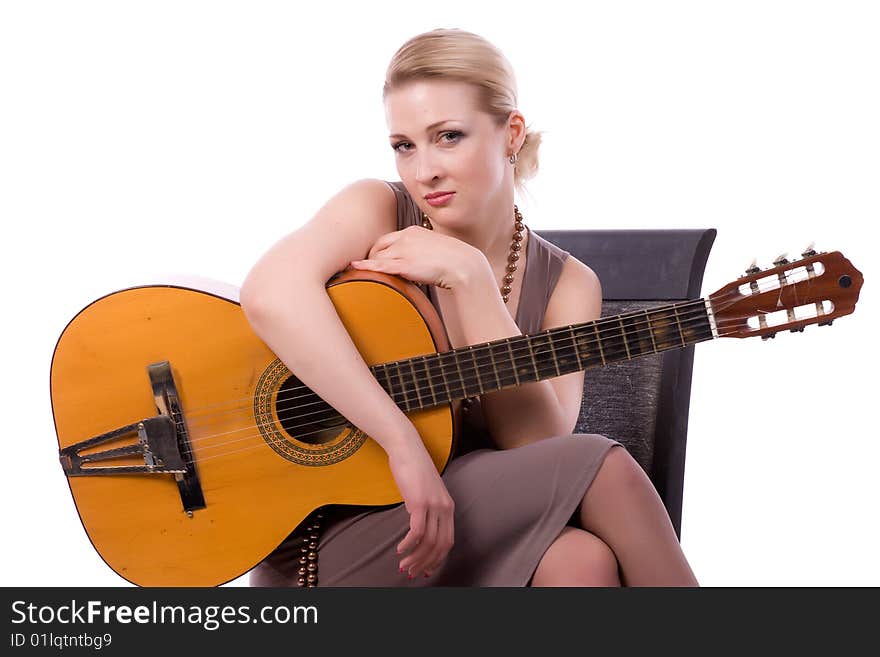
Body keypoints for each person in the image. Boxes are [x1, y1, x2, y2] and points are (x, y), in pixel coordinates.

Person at [241, 28, 699, 587]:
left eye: (448, 136)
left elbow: (541, 453)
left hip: (465, 532)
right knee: (604, 467)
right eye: (404, 144)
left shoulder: (569, 285)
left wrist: (471, 281)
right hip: (332, 532)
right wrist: (401, 441)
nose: (423, 169)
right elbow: (269, 293)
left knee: (582, 561)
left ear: (511, 133)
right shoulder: (377, 209)